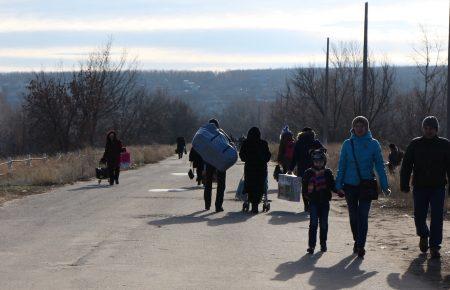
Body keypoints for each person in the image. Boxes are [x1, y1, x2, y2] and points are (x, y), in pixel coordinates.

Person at [336, 116, 390, 258]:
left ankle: (361, 245)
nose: (359, 128)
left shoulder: (373, 144)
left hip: (366, 185)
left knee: (363, 216)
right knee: (353, 216)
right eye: (357, 126)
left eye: (362, 126)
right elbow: (342, 165)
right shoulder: (348, 144)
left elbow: (379, 166)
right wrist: (338, 184)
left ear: (367, 128)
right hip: (349, 185)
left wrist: (384, 185)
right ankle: (357, 239)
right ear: (353, 128)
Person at [400, 116, 450, 259]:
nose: (429, 131)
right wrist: (404, 184)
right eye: (426, 128)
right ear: (423, 128)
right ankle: (423, 234)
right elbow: (406, 165)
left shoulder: (444, 145)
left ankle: (434, 246)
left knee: (437, 217)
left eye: (432, 128)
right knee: (419, 216)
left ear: (436, 129)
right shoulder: (415, 144)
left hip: (438, 187)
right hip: (420, 187)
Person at [302, 149, 339, 254]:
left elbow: (332, 185)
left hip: (325, 202)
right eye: (316, 161)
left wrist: (339, 190)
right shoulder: (308, 173)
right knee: (313, 224)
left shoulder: (327, 173)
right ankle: (311, 246)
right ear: (313, 161)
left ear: (324, 161)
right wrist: (307, 198)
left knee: (323, 224)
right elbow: (304, 188)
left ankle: (323, 243)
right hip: (313, 202)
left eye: (320, 161)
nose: (318, 163)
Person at [289, 127, 324, 212]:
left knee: (305, 187)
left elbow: (295, 157)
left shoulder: (298, 142)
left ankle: (306, 205)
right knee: (314, 186)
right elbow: (323, 152)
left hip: (302, 169)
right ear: (312, 133)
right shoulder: (315, 142)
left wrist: (290, 169)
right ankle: (313, 203)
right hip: (314, 169)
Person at [239, 127, 271, 214]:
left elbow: (242, 156)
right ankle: (256, 204)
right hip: (261, 169)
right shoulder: (263, 143)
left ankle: (251, 202)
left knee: (250, 185)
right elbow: (268, 157)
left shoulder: (246, 143)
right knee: (260, 185)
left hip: (250, 169)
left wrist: (249, 158)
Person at [203, 118, 233, 212]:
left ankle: (207, 205)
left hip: (209, 161)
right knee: (221, 184)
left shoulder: (205, 134)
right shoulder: (222, 133)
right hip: (221, 162)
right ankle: (218, 206)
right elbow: (230, 143)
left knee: (208, 183)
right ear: (218, 125)